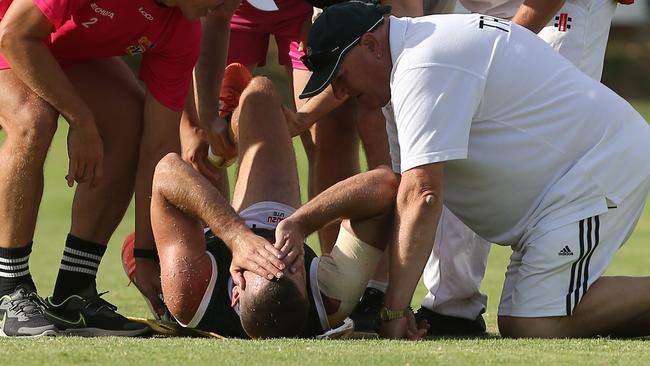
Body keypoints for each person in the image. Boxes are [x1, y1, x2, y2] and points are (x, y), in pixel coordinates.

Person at [300, 2, 650, 339]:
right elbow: (396, 187)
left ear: (371, 45)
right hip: (565, 190)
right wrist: (300, 223)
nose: (340, 92)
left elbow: (423, 195)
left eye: (340, 76)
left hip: (595, 174)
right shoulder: (406, 63)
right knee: (521, 318)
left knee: (535, 322)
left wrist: (394, 311)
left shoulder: (420, 64)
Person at [0, 0, 236, 337]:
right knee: (34, 120)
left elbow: (157, 151)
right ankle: (9, 289)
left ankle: (75, 292)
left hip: (50, 46)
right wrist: (80, 119)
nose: (229, 7)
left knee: (129, 122)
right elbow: (14, 36)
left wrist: (146, 255)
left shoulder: (183, 30)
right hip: (11, 32)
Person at [124, 73, 407, 338]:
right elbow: (385, 184)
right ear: (308, 293)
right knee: (261, 93)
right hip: (270, 216)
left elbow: (166, 171)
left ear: (236, 293)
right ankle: (231, 132)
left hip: (202, 253)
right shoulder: (329, 297)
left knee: (156, 244)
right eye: (290, 263)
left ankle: (217, 146)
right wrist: (299, 224)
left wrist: (237, 238)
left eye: (264, 263)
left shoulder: (194, 294)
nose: (272, 250)